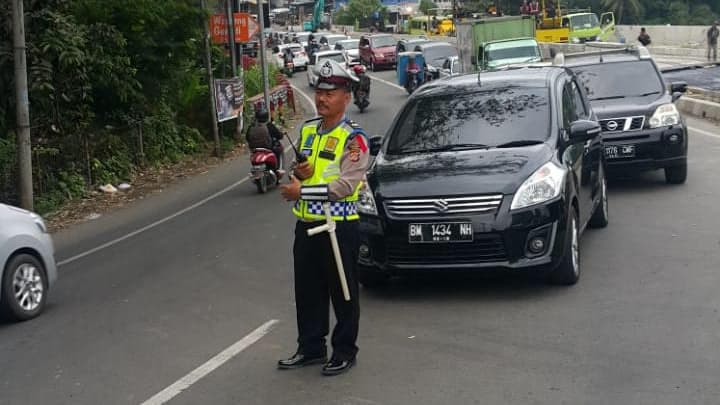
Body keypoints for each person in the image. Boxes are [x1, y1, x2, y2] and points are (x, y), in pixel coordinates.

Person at [278, 59, 369, 377]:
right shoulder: (306, 130)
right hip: (306, 226)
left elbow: (346, 185)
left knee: (343, 292)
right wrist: (299, 173)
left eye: (331, 92)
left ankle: (344, 350)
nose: (322, 98)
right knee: (307, 291)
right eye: (319, 91)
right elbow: (300, 171)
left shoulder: (354, 139)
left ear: (347, 96)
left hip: (338, 227)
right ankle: (311, 348)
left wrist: (300, 192)